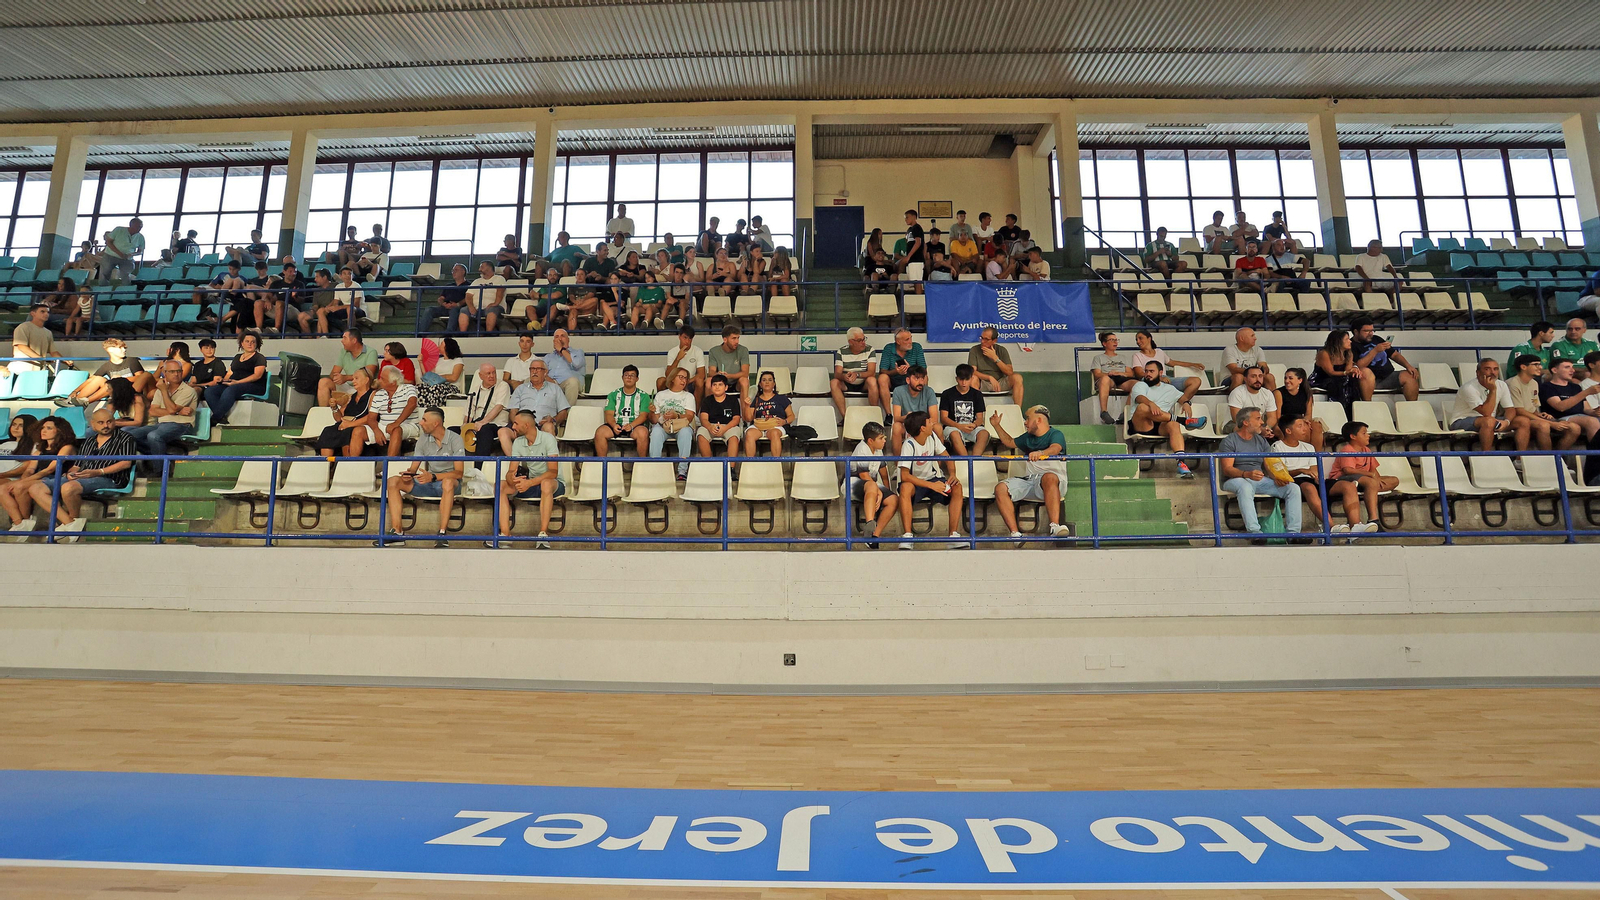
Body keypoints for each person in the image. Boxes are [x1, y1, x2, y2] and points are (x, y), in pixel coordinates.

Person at [22, 408, 131, 541]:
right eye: (101, 422)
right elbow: (77, 465)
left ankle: (72, 521)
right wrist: (70, 473)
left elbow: (126, 463)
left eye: (109, 422)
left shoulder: (125, 438)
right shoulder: (89, 441)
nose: (106, 426)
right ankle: (70, 523)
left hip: (109, 478)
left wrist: (98, 472)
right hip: (83, 476)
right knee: (35, 488)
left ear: (114, 422)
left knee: (68, 488)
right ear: (93, 424)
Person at [378, 407, 464, 548]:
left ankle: (442, 533)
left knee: (448, 483)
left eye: (424, 420)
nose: (421, 423)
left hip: (448, 483)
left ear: (435, 424)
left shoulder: (455, 439)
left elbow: (459, 473)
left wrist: (435, 476)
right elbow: (414, 467)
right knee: (393, 481)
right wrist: (409, 474)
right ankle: (398, 533)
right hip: (428, 482)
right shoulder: (423, 439)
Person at [1218, 407, 1302, 542]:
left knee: (1293, 488)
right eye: (1258, 419)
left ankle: (1293, 534)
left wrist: (1277, 477)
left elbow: (1269, 464)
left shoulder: (1261, 440)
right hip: (1235, 479)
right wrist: (1246, 474)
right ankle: (1255, 533)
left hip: (1258, 479)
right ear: (1245, 422)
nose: (1262, 422)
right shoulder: (1229, 440)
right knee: (1245, 487)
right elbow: (1227, 469)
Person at [988, 404, 1071, 540]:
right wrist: (996, 425)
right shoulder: (1027, 437)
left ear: (1038, 420)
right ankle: (1015, 535)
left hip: (1054, 484)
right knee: (1000, 488)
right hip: (1031, 482)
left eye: (1027, 418)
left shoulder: (1055, 434)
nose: (1025, 422)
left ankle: (1055, 526)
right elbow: (1009, 442)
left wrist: (1041, 453)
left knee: (1049, 477)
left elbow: (1055, 448)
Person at [490, 411, 562, 549]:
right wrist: (511, 478)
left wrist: (529, 483)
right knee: (501, 485)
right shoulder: (518, 442)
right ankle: (505, 535)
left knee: (546, 484)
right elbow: (511, 471)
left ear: (527, 425)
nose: (514, 427)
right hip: (530, 482)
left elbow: (553, 472)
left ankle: (543, 534)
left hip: (552, 483)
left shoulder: (548, 439)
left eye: (516, 424)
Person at [895, 410, 966, 549]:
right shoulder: (908, 445)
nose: (932, 423)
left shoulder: (932, 436)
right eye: (929, 421)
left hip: (933, 479)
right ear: (922, 428)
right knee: (905, 487)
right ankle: (908, 536)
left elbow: (947, 457)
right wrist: (930, 486)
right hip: (915, 483)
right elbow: (904, 476)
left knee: (957, 486)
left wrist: (952, 473)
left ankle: (953, 536)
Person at [1, 416, 75, 537]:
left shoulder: (67, 447)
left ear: (60, 431)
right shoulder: (39, 450)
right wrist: (24, 478)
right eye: (42, 428)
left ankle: (25, 522)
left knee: (19, 487)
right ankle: (20, 523)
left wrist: (22, 482)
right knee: (2, 489)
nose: (43, 431)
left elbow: (49, 470)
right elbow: (30, 469)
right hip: (40, 479)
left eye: (48, 428)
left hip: (57, 479)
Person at [1128, 360, 1202, 478]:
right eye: (1146, 371)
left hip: (1160, 423)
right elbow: (1140, 398)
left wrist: (1186, 403)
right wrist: (1151, 403)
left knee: (1173, 425)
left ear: (1160, 373)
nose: (1148, 374)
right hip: (1141, 423)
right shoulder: (1140, 385)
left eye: (1151, 371)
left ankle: (1181, 463)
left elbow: (1182, 398)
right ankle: (1183, 421)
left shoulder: (1169, 388)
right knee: (1143, 407)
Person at [1325, 421, 1396, 539]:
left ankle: (1370, 488)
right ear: (1353, 436)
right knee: (1371, 481)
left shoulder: (1367, 450)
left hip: (1364, 479)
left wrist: (1376, 478)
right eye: (1364, 433)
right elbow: (1348, 470)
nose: (1368, 435)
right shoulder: (1347, 449)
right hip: (1343, 479)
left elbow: (1374, 470)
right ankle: (1373, 519)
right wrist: (1371, 476)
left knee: (1394, 480)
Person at [1447, 357, 1526, 451]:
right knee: (1488, 421)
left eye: (1495, 369)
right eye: (1487, 369)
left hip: (1490, 420)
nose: (1492, 372)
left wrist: (1506, 422)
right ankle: (1486, 457)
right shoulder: (1468, 388)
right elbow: (1486, 412)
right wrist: (1492, 390)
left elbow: (1510, 409)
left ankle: (1520, 459)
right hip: (1461, 420)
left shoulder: (1502, 385)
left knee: (1523, 421)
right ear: (1478, 372)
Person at [1505, 355, 1582, 451]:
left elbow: (1533, 407)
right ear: (1523, 367)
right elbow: (1519, 411)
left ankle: (1559, 456)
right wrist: (1550, 423)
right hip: (1517, 419)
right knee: (1544, 426)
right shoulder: (1513, 383)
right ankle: (1548, 458)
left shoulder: (1534, 383)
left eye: (1540, 364)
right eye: (1536, 364)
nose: (1540, 367)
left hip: (1532, 417)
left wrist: (1541, 415)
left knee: (1574, 428)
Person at [124, 359, 196, 460]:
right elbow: (153, 411)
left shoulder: (189, 390)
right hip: (161, 424)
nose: (176, 374)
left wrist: (164, 391)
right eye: (172, 371)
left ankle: (160, 471)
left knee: (154, 436)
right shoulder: (159, 391)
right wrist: (178, 411)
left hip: (181, 425)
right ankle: (162, 455)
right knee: (127, 435)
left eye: (179, 371)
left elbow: (171, 409)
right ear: (165, 373)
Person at [846, 421, 900, 548]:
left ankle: (873, 536)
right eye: (881, 438)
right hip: (853, 484)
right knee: (871, 486)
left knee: (893, 500)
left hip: (872, 485)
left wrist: (886, 490)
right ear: (870, 441)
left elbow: (883, 472)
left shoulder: (878, 450)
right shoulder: (862, 449)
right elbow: (864, 476)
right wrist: (879, 492)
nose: (884, 441)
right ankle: (869, 524)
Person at [1271, 416, 1330, 531]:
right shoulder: (1277, 447)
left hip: (1309, 478)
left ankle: (1355, 526)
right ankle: (1332, 527)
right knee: (1309, 487)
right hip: (1293, 480)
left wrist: (1317, 477)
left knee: (1346, 486)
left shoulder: (1309, 447)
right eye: (1300, 426)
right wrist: (1301, 470)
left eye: (1304, 425)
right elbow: (1280, 474)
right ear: (1288, 431)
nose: (1305, 429)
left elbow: (1313, 469)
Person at [57, 338, 151, 407]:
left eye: (124, 348)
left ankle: (85, 401)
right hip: (115, 391)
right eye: (120, 348)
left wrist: (120, 380)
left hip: (130, 390)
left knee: (112, 383)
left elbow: (141, 377)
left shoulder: (131, 361)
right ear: (110, 350)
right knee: (98, 379)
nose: (124, 350)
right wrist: (75, 391)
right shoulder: (106, 365)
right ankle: (75, 400)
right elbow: (91, 380)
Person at [197, 333, 265, 426]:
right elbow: (230, 373)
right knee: (210, 391)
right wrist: (223, 381)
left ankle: (215, 418)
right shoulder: (237, 357)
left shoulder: (259, 357)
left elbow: (257, 375)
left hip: (254, 385)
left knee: (231, 390)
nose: (250, 344)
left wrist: (237, 382)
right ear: (242, 343)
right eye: (247, 341)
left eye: (253, 342)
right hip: (234, 383)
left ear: (256, 344)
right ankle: (222, 417)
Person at [1350, 316, 1420, 401]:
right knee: (1365, 372)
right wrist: (1375, 351)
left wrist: (1408, 366)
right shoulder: (1351, 345)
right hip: (1368, 380)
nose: (1371, 333)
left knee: (1410, 376)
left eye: (1372, 330)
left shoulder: (1376, 339)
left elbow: (1394, 355)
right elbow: (1358, 366)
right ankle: (1367, 404)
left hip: (1388, 375)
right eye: (1366, 331)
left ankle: (1412, 406)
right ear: (1356, 332)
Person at [502, 359, 569, 446]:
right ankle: (515, 459)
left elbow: (563, 412)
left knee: (549, 427)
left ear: (545, 372)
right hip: (522, 424)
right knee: (502, 432)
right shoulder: (520, 389)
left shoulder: (555, 389)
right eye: (532, 369)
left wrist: (553, 420)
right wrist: (516, 424)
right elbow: (513, 411)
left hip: (543, 424)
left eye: (538, 369)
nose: (534, 372)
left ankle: (549, 458)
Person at [315, 368, 378, 460]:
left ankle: (347, 464)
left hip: (360, 425)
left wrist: (350, 424)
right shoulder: (351, 397)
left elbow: (371, 416)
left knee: (348, 432)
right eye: (353, 379)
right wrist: (335, 408)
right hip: (346, 424)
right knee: (328, 430)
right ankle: (327, 465)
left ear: (366, 380)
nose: (353, 381)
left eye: (356, 378)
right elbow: (338, 419)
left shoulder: (373, 395)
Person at [1129, 330, 1202, 405]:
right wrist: (1158, 378)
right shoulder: (1137, 355)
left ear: (1149, 338)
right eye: (1136, 340)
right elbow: (1139, 373)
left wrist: (1193, 364)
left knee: (1195, 381)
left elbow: (1172, 362)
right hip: (1150, 381)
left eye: (1140, 338)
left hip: (1166, 379)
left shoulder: (1159, 352)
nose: (1138, 341)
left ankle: (1180, 403)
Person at [649, 366, 697, 479]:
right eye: (681, 377)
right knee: (656, 431)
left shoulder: (688, 396)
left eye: (685, 378)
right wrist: (652, 413)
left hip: (681, 426)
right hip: (664, 425)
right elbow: (654, 419)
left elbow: (690, 417)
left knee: (686, 433)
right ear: (672, 378)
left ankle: (682, 471)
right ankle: (654, 467)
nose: (684, 381)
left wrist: (677, 415)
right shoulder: (661, 395)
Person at [595, 364, 651, 457]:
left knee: (643, 433)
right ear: (622, 377)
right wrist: (614, 425)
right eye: (626, 375)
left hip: (635, 425)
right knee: (600, 432)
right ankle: (602, 464)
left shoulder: (644, 396)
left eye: (632, 375)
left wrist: (631, 425)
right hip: (617, 424)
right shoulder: (613, 395)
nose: (629, 377)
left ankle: (642, 464)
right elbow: (609, 414)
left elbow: (643, 416)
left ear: (637, 379)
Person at [314, 329, 378, 409]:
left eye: (344, 338)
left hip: (363, 388)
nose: (341, 341)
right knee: (324, 382)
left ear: (354, 340)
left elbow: (369, 374)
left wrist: (345, 378)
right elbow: (333, 374)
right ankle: (324, 413)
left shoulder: (371, 352)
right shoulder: (343, 352)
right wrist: (337, 378)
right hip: (347, 386)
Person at [1539, 358, 1600, 442]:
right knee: (1592, 421)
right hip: (1558, 418)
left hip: (1580, 416)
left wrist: (1594, 412)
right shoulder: (1547, 387)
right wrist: (1586, 392)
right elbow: (1560, 407)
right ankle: (1595, 452)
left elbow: (1586, 408)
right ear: (1554, 370)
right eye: (1567, 367)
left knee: (1593, 419)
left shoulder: (1576, 387)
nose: (1572, 370)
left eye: (1572, 367)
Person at [964, 326, 1025, 405]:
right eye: (981, 338)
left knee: (1017, 377)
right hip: (983, 382)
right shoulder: (975, 350)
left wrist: (995, 358)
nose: (982, 341)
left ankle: (1017, 411)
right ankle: (978, 410)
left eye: (986, 339)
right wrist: (989, 377)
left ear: (994, 341)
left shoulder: (1001, 350)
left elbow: (1010, 372)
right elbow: (972, 371)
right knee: (972, 378)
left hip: (1000, 382)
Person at [939, 364, 989, 456]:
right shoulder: (947, 394)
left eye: (967, 379)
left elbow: (980, 418)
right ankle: (966, 461)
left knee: (984, 434)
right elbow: (944, 418)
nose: (964, 383)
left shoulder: (977, 394)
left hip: (972, 426)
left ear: (971, 379)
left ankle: (975, 460)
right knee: (954, 434)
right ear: (956, 379)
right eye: (961, 379)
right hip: (953, 427)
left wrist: (974, 425)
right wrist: (959, 426)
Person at [743, 370, 794, 457]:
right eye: (764, 380)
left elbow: (791, 416)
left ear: (774, 384)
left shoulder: (781, 398)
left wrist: (784, 421)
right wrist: (747, 406)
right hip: (759, 426)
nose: (767, 382)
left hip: (776, 426)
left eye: (770, 380)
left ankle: (776, 463)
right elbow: (748, 418)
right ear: (760, 384)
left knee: (774, 433)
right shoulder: (756, 399)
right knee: (749, 433)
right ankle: (750, 463)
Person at [831, 327, 880, 419]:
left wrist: (857, 374)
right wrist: (844, 377)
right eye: (859, 340)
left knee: (872, 380)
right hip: (847, 383)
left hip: (863, 383)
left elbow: (871, 372)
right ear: (850, 342)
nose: (863, 342)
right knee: (834, 382)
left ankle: (875, 415)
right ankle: (845, 417)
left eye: (864, 339)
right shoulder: (841, 351)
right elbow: (837, 374)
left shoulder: (870, 350)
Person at [876, 328, 927, 416]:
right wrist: (896, 371)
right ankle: (889, 415)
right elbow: (882, 371)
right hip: (892, 382)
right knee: (882, 378)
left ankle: (922, 411)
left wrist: (910, 369)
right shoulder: (888, 348)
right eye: (907, 339)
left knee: (925, 377)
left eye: (911, 338)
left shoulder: (917, 347)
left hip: (911, 380)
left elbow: (923, 370)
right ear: (898, 341)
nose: (910, 341)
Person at [463, 363, 511, 456]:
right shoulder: (475, 389)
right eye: (488, 373)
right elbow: (469, 411)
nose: (492, 376)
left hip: (495, 425)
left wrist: (483, 422)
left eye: (494, 373)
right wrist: (465, 425)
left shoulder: (502, 386)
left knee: (485, 429)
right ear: (480, 376)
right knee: (452, 431)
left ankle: (479, 468)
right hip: (476, 424)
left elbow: (498, 407)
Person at [1091, 331, 1137, 425]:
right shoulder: (1098, 358)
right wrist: (1108, 374)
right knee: (1105, 379)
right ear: (1104, 343)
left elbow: (1130, 373)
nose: (1115, 342)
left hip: (1122, 379)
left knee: (1138, 384)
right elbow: (1097, 374)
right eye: (1112, 340)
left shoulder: (1123, 357)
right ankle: (1104, 412)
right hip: (1108, 378)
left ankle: (1126, 412)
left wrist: (1119, 373)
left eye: (1116, 340)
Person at [1274, 367, 1324, 451]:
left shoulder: (1307, 393)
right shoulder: (1278, 393)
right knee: (1300, 428)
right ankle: (1302, 454)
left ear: (1299, 380)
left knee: (1316, 426)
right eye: (1285, 378)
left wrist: (1305, 421)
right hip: (1285, 421)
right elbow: (1278, 417)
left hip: (1300, 419)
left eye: (1290, 378)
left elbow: (1308, 415)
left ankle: (1316, 456)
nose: (1287, 381)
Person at [696, 373, 743, 461]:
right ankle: (709, 464)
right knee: (701, 433)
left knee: (734, 436)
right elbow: (704, 419)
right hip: (711, 425)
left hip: (728, 426)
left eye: (720, 385)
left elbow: (736, 419)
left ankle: (731, 469)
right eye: (714, 385)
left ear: (726, 387)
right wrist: (710, 427)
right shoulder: (707, 400)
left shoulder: (733, 400)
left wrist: (725, 428)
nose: (717, 387)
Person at [11, 303, 68, 376]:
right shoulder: (23, 327)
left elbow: (53, 352)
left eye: (48, 312)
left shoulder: (48, 332)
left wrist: (65, 360)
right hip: (23, 368)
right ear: (33, 313)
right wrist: (40, 358)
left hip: (39, 370)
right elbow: (22, 346)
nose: (46, 314)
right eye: (42, 312)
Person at [1310, 329, 1360, 410]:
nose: (1350, 341)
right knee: (1335, 383)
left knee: (1353, 380)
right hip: (1323, 378)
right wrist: (1346, 373)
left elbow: (1348, 370)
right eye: (1347, 339)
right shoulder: (1324, 353)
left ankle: (1354, 408)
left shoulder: (1349, 354)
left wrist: (1353, 370)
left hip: (1341, 377)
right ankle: (1337, 407)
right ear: (1338, 342)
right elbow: (1331, 372)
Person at [889, 364, 934, 451]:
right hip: (906, 424)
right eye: (916, 378)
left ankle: (939, 463)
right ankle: (898, 463)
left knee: (938, 427)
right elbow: (897, 418)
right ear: (908, 380)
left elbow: (934, 417)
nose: (921, 382)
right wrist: (908, 417)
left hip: (924, 424)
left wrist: (917, 420)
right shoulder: (898, 391)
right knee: (896, 427)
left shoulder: (929, 391)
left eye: (922, 378)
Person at [1227, 365, 1280, 438]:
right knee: (1244, 429)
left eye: (1260, 376)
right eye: (1253, 376)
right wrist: (1260, 430)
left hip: (1259, 423)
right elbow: (1237, 419)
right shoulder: (1237, 393)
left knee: (1279, 429)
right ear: (1245, 379)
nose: (1258, 379)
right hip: (1237, 424)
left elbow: (1272, 417)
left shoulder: (1267, 393)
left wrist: (1267, 428)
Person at [1219, 326, 1273, 391]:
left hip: (1252, 378)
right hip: (1230, 380)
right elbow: (1233, 370)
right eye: (1252, 336)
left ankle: (1272, 400)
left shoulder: (1258, 350)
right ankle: (1234, 399)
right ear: (1242, 338)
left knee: (1269, 377)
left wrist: (1263, 371)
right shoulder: (1229, 350)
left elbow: (1264, 366)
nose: (1255, 338)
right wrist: (1252, 373)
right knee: (1239, 377)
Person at [706, 324, 751, 398]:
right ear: (725, 339)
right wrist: (718, 374)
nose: (737, 341)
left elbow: (745, 373)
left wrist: (729, 376)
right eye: (733, 338)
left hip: (736, 384)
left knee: (744, 381)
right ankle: (708, 408)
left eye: (738, 338)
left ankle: (745, 409)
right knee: (708, 381)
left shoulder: (743, 350)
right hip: (720, 383)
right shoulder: (714, 351)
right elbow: (711, 372)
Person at [661, 324, 705, 398]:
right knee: (660, 381)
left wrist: (687, 381)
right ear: (679, 337)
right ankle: (662, 406)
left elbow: (701, 374)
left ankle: (696, 409)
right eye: (685, 338)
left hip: (691, 381)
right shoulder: (672, 352)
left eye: (690, 339)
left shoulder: (698, 351)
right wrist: (678, 358)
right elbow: (668, 375)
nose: (687, 341)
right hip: (674, 381)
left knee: (700, 382)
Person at [544, 329, 586, 405]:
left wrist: (562, 349)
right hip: (551, 384)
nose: (559, 339)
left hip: (569, 384)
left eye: (562, 336)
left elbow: (576, 364)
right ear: (554, 341)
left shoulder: (578, 352)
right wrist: (549, 379)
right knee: (529, 380)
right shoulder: (548, 357)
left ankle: (567, 414)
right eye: (557, 337)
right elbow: (542, 372)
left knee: (572, 382)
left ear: (568, 339)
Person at [428, 264, 473, 334]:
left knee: (454, 310)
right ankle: (420, 333)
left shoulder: (469, 286)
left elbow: (468, 298)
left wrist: (457, 304)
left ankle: (449, 332)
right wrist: (443, 303)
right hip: (445, 307)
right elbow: (441, 298)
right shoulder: (449, 286)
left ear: (463, 272)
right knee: (429, 309)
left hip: (459, 308)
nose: (453, 272)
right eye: (452, 271)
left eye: (456, 270)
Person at [465, 260, 508, 333]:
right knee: (463, 310)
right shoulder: (476, 281)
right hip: (476, 308)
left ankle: (488, 334)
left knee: (491, 310)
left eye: (482, 267)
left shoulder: (499, 278)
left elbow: (500, 291)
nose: (479, 269)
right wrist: (471, 306)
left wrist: (495, 303)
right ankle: (462, 335)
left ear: (489, 268)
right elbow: (468, 295)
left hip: (493, 307)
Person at [100, 217, 145, 283]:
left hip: (127, 259)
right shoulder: (118, 230)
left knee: (126, 275)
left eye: (141, 226)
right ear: (131, 225)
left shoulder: (141, 237)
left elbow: (140, 251)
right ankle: (102, 291)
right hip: (110, 255)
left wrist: (132, 254)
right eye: (138, 226)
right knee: (105, 273)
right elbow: (108, 242)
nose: (140, 228)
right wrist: (120, 253)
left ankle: (126, 291)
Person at [899, 209, 925, 274]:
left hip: (916, 259)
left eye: (907, 217)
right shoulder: (909, 230)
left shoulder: (917, 228)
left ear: (914, 217)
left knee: (916, 281)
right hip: (911, 259)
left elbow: (918, 242)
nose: (905, 220)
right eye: (905, 218)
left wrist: (908, 256)